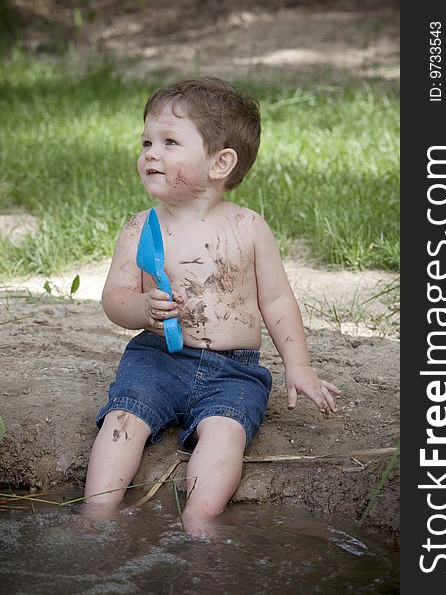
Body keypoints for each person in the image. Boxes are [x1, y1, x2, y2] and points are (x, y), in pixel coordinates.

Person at [84, 77, 340, 534]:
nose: (149, 153)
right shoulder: (140, 227)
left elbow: (277, 299)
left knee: (225, 434)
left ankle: (200, 521)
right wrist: (143, 308)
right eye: (146, 141)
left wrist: (297, 366)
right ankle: (97, 513)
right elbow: (114, 299)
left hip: (233, 370)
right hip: (157, 357)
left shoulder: (248, 227)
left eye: (168, 142)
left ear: (220, 163)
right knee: (123, 418)